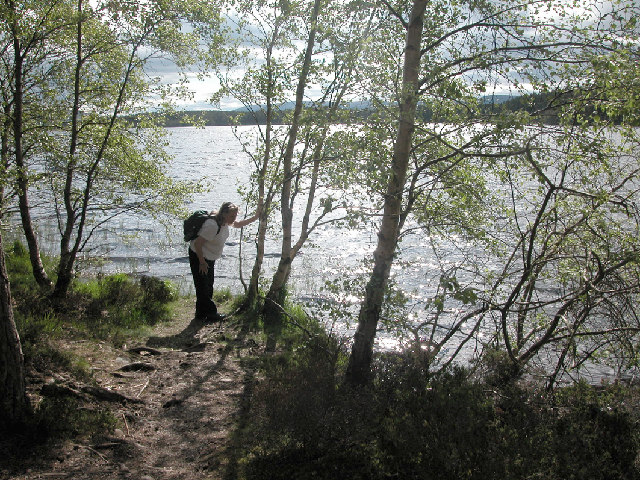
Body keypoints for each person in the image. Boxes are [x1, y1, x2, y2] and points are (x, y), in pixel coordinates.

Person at [189, 202, 259, 322]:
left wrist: (255, 217)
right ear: (224, 213)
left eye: (235, 215)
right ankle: (211, 314)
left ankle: (201, 314)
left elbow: (238, 224)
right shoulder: (212, 225)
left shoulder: (225, 222)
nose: (234, 218)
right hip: (199, 256)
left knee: (208, 284)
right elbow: (197, 244)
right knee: (202, 285)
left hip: (209, 257)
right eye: (232, 216)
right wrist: (201, 262)